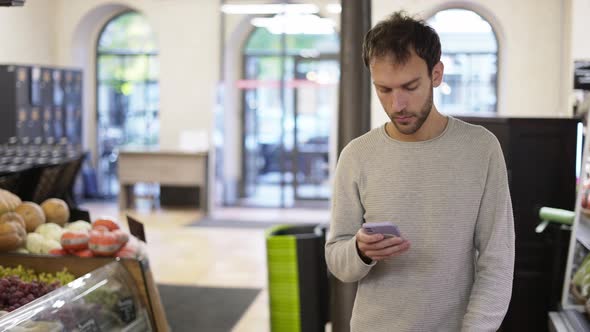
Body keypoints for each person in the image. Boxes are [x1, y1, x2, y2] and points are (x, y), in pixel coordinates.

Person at [325, 11, 515, 332]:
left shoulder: (481, 148)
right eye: (383, 89)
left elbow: (497, 259)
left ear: (436, 74)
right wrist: (360, 251)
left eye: (410, 87)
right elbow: (338, 260)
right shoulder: (357, 155)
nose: (397, 104)